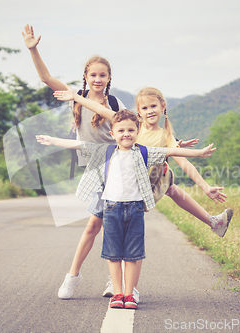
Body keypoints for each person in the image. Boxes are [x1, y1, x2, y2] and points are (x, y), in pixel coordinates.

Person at [23, 25, 197, 301]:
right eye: (93, 75)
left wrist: (173, 144)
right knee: (99, 225)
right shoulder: (74, 98)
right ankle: (83, 278)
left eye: (102, 75)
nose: (97, 79)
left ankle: (96, 280)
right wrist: (33, 49)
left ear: (109, 78)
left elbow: (137, 129)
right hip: (96, 170)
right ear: (86, 77)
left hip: (119, 170)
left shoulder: (114, 104)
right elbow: (45, 78)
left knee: (102, 225)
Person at [54, 86, 233, 297]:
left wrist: (205, 186)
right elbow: (101, 110)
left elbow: (182, 160)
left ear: (163, 107)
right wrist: (76, 97)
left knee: (138, 231)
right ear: (138, 111)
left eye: (153, 106)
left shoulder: (166, 135)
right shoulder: (131, 124)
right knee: (94, 225)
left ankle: (129, 287)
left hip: (138, 190)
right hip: (113, 184)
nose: (149, 111)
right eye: (145, 107)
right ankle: (75, 277)